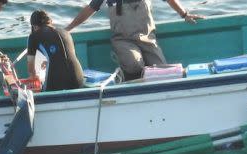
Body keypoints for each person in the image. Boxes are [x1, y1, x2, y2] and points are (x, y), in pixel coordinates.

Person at [66, 0, 204, 81]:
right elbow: (90, 9)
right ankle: (126, 80)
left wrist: (184, 14)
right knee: (134, 65)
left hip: (148, 39)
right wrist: (68, 29)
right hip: (123, 40)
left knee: (164, 74)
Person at [27, 10, 85, 91]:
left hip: (57, 82)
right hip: (78, 79)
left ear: (34, 26)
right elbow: (64, 56)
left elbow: (30, 68)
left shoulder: (33, 36)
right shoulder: (65, 32)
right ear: (50, 22)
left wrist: (34, 78)